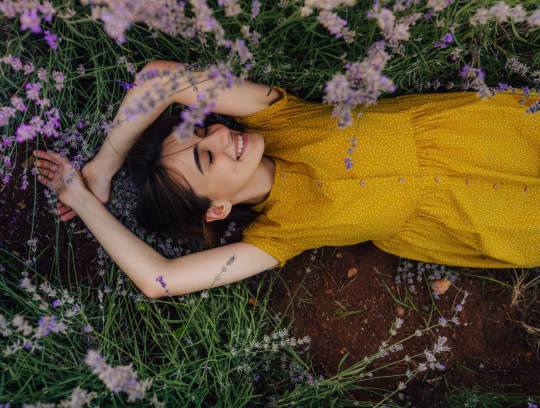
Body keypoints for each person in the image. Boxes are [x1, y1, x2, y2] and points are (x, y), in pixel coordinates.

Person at [32, 60, 540, 298]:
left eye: (203, 131)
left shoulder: (279, 119)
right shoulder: (280, 235)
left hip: (499, 136)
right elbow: (159, 279)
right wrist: (82, 198)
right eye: (207, 160)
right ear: (217, 211)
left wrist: (102, 167)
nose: (220, 137)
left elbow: (160, 81)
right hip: (493, 220)